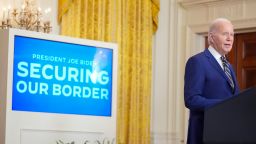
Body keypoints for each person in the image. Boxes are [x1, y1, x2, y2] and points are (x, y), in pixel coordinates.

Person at [184, 18, 240, 144]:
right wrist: (224, 105)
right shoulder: (197, 62)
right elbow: (191, 99)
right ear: (211, 37)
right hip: (206, 134)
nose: (230, 38)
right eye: (225, 34)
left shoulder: (229, 66)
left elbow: (235, 100)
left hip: (228, 134)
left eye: (232, 34)